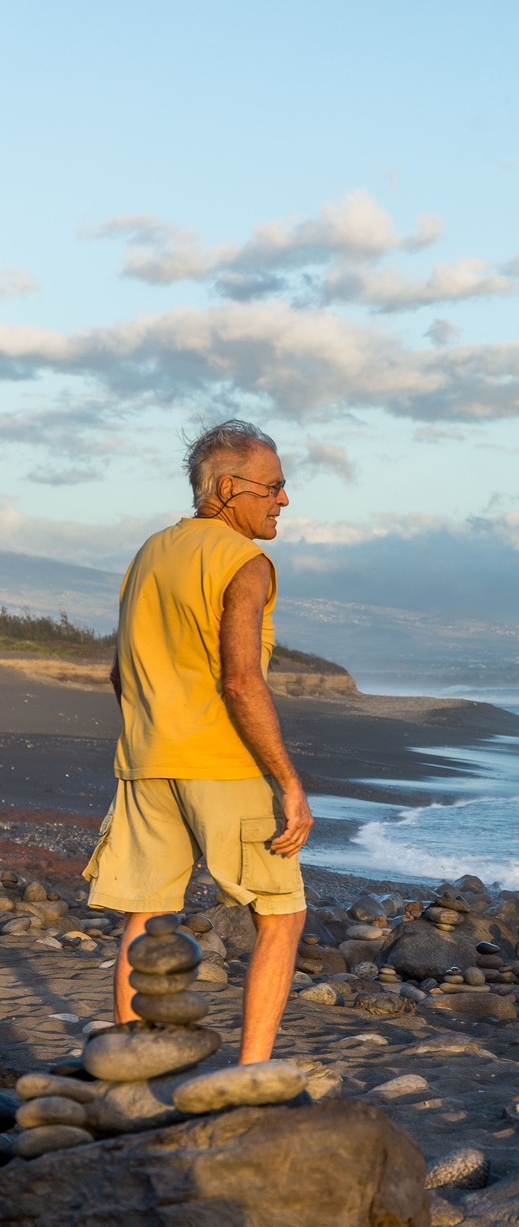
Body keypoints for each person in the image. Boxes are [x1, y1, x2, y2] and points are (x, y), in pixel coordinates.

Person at [84, 418, 313, 1062]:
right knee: (281, 914)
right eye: (273, 487)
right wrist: (290, 784)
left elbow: (118, 670)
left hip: (146, 760)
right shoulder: (245, 561)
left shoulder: (151, 552)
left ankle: (129, 1065)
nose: (283, 501)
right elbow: (241, 681)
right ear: (229, 486)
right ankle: (251, 1072)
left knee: (147, 912)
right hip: (221, 761)